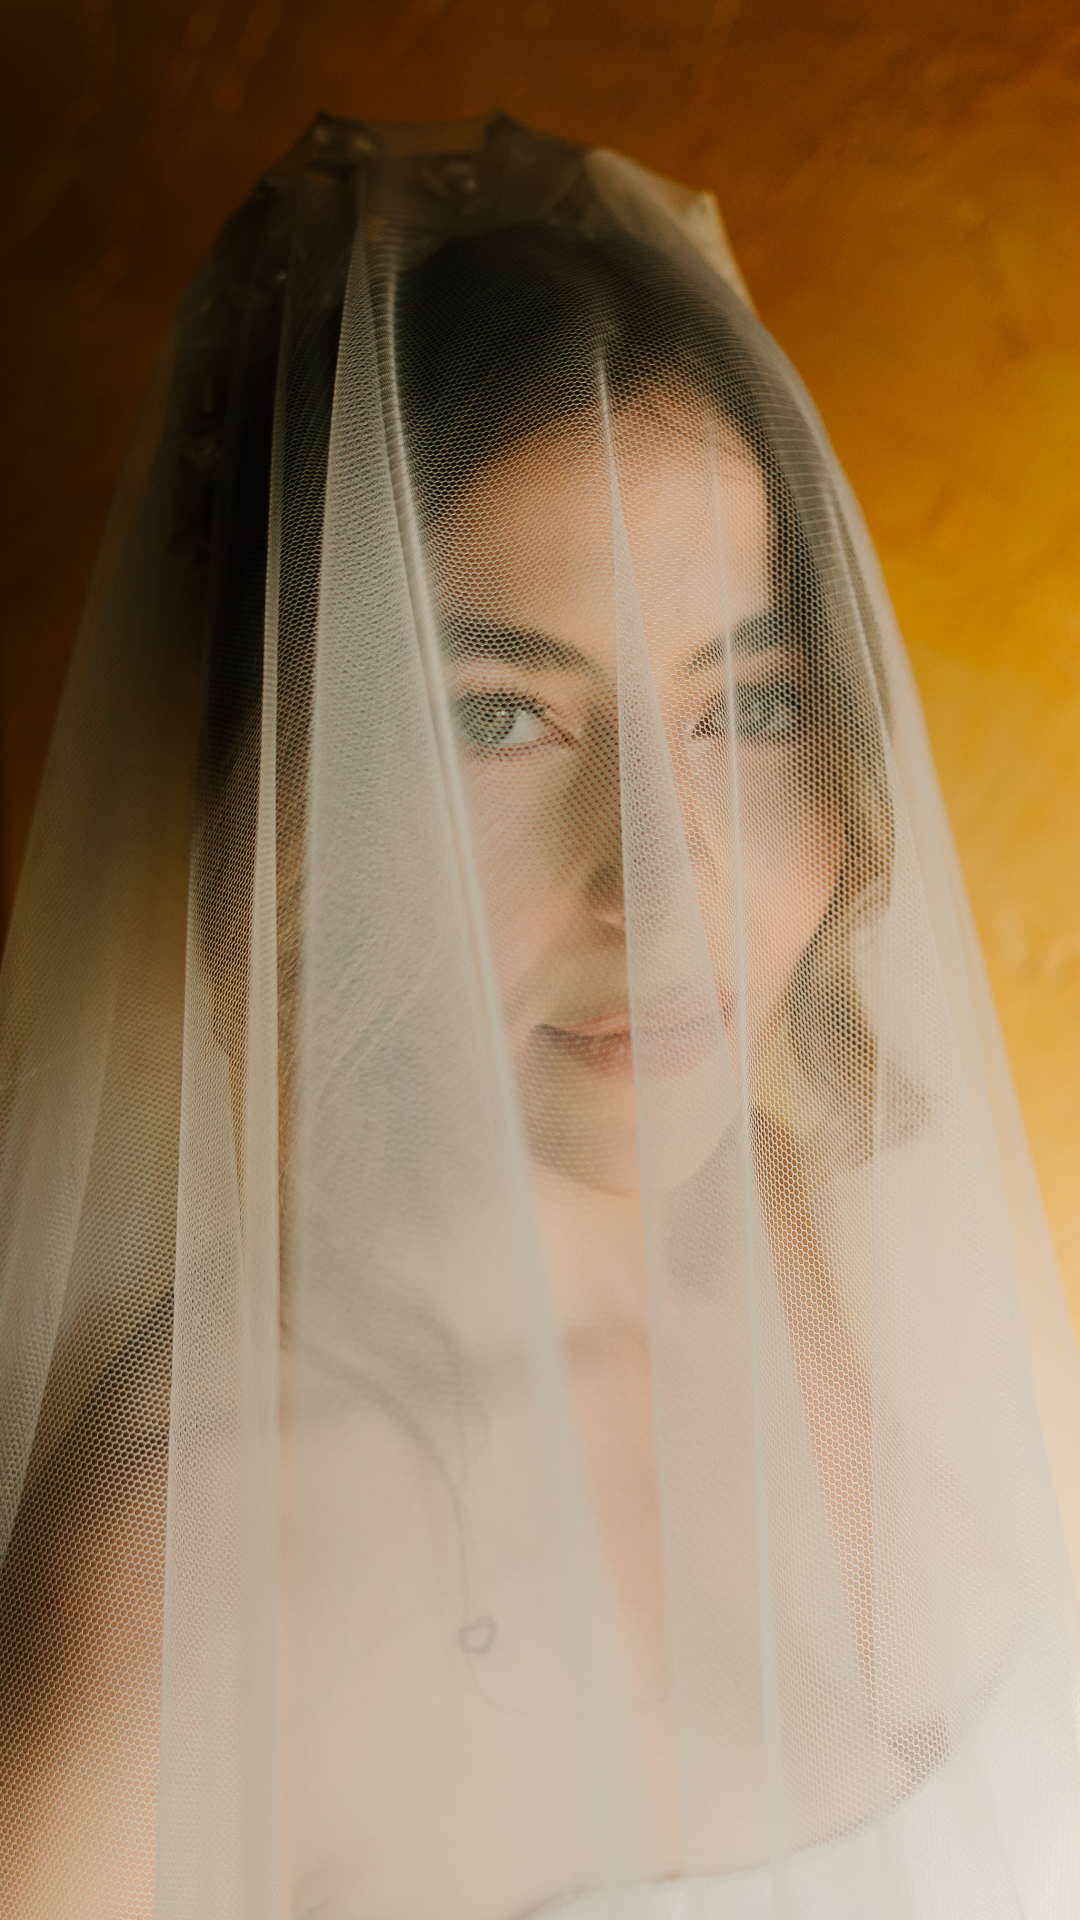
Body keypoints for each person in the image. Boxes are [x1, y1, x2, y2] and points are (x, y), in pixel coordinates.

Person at [2, 112, 1079, 1919]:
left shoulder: (831, 1236)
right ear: (290, 796)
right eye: (500, 718)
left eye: (745, 704)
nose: (661, 887)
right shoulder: (206, 1541)